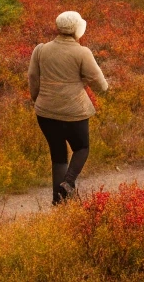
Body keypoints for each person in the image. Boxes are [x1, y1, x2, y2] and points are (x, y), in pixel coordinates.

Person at [28, 10, 109, 204]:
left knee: (58, 156)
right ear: (77, 29)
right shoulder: (82, 52)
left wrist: (37, 98)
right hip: (75, 112)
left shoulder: (41, 49)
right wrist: (103, 89)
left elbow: (32, 76)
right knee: (81, 148)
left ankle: (59, 202)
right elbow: (98, 81)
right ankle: (68, 183)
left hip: (46, 112)